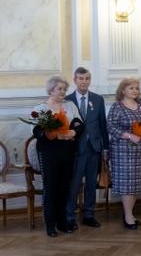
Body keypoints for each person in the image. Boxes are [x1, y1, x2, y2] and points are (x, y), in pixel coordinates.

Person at [32, 76, 84, 237]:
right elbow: (36, 132)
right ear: (51, 90)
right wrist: (54, 135)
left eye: (64, 89)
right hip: (49, 152)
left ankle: (62, 222)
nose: (62, 92)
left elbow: (79, 123)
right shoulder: (41, 108)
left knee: (64, 188)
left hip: (68, 151)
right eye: (59, 89)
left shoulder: (70, 105)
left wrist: (73, 132)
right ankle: (50, 225)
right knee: (50, 188)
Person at [65, 67, 108, 231]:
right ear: (75, 80)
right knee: (74, 184)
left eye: (87, 78)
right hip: (75, 148)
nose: (84, 81)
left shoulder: (98, 99)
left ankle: (89, 214)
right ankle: (70, 216)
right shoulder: (67, 100)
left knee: (91, 183)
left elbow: (102, 125)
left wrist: (106, 148)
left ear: (90, 80)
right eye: (81, 78)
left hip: (94, 147)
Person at [106, 78, 141, 230]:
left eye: (137, 88)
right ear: (123, 90)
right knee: (127, 184)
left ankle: (129, 214)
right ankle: (128, 216)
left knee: (136, 183)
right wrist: (129, 136)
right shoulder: (117, 106)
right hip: (123, 151)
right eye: (131, 88)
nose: (135, 91)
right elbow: (111, 127)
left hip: (140, 150)